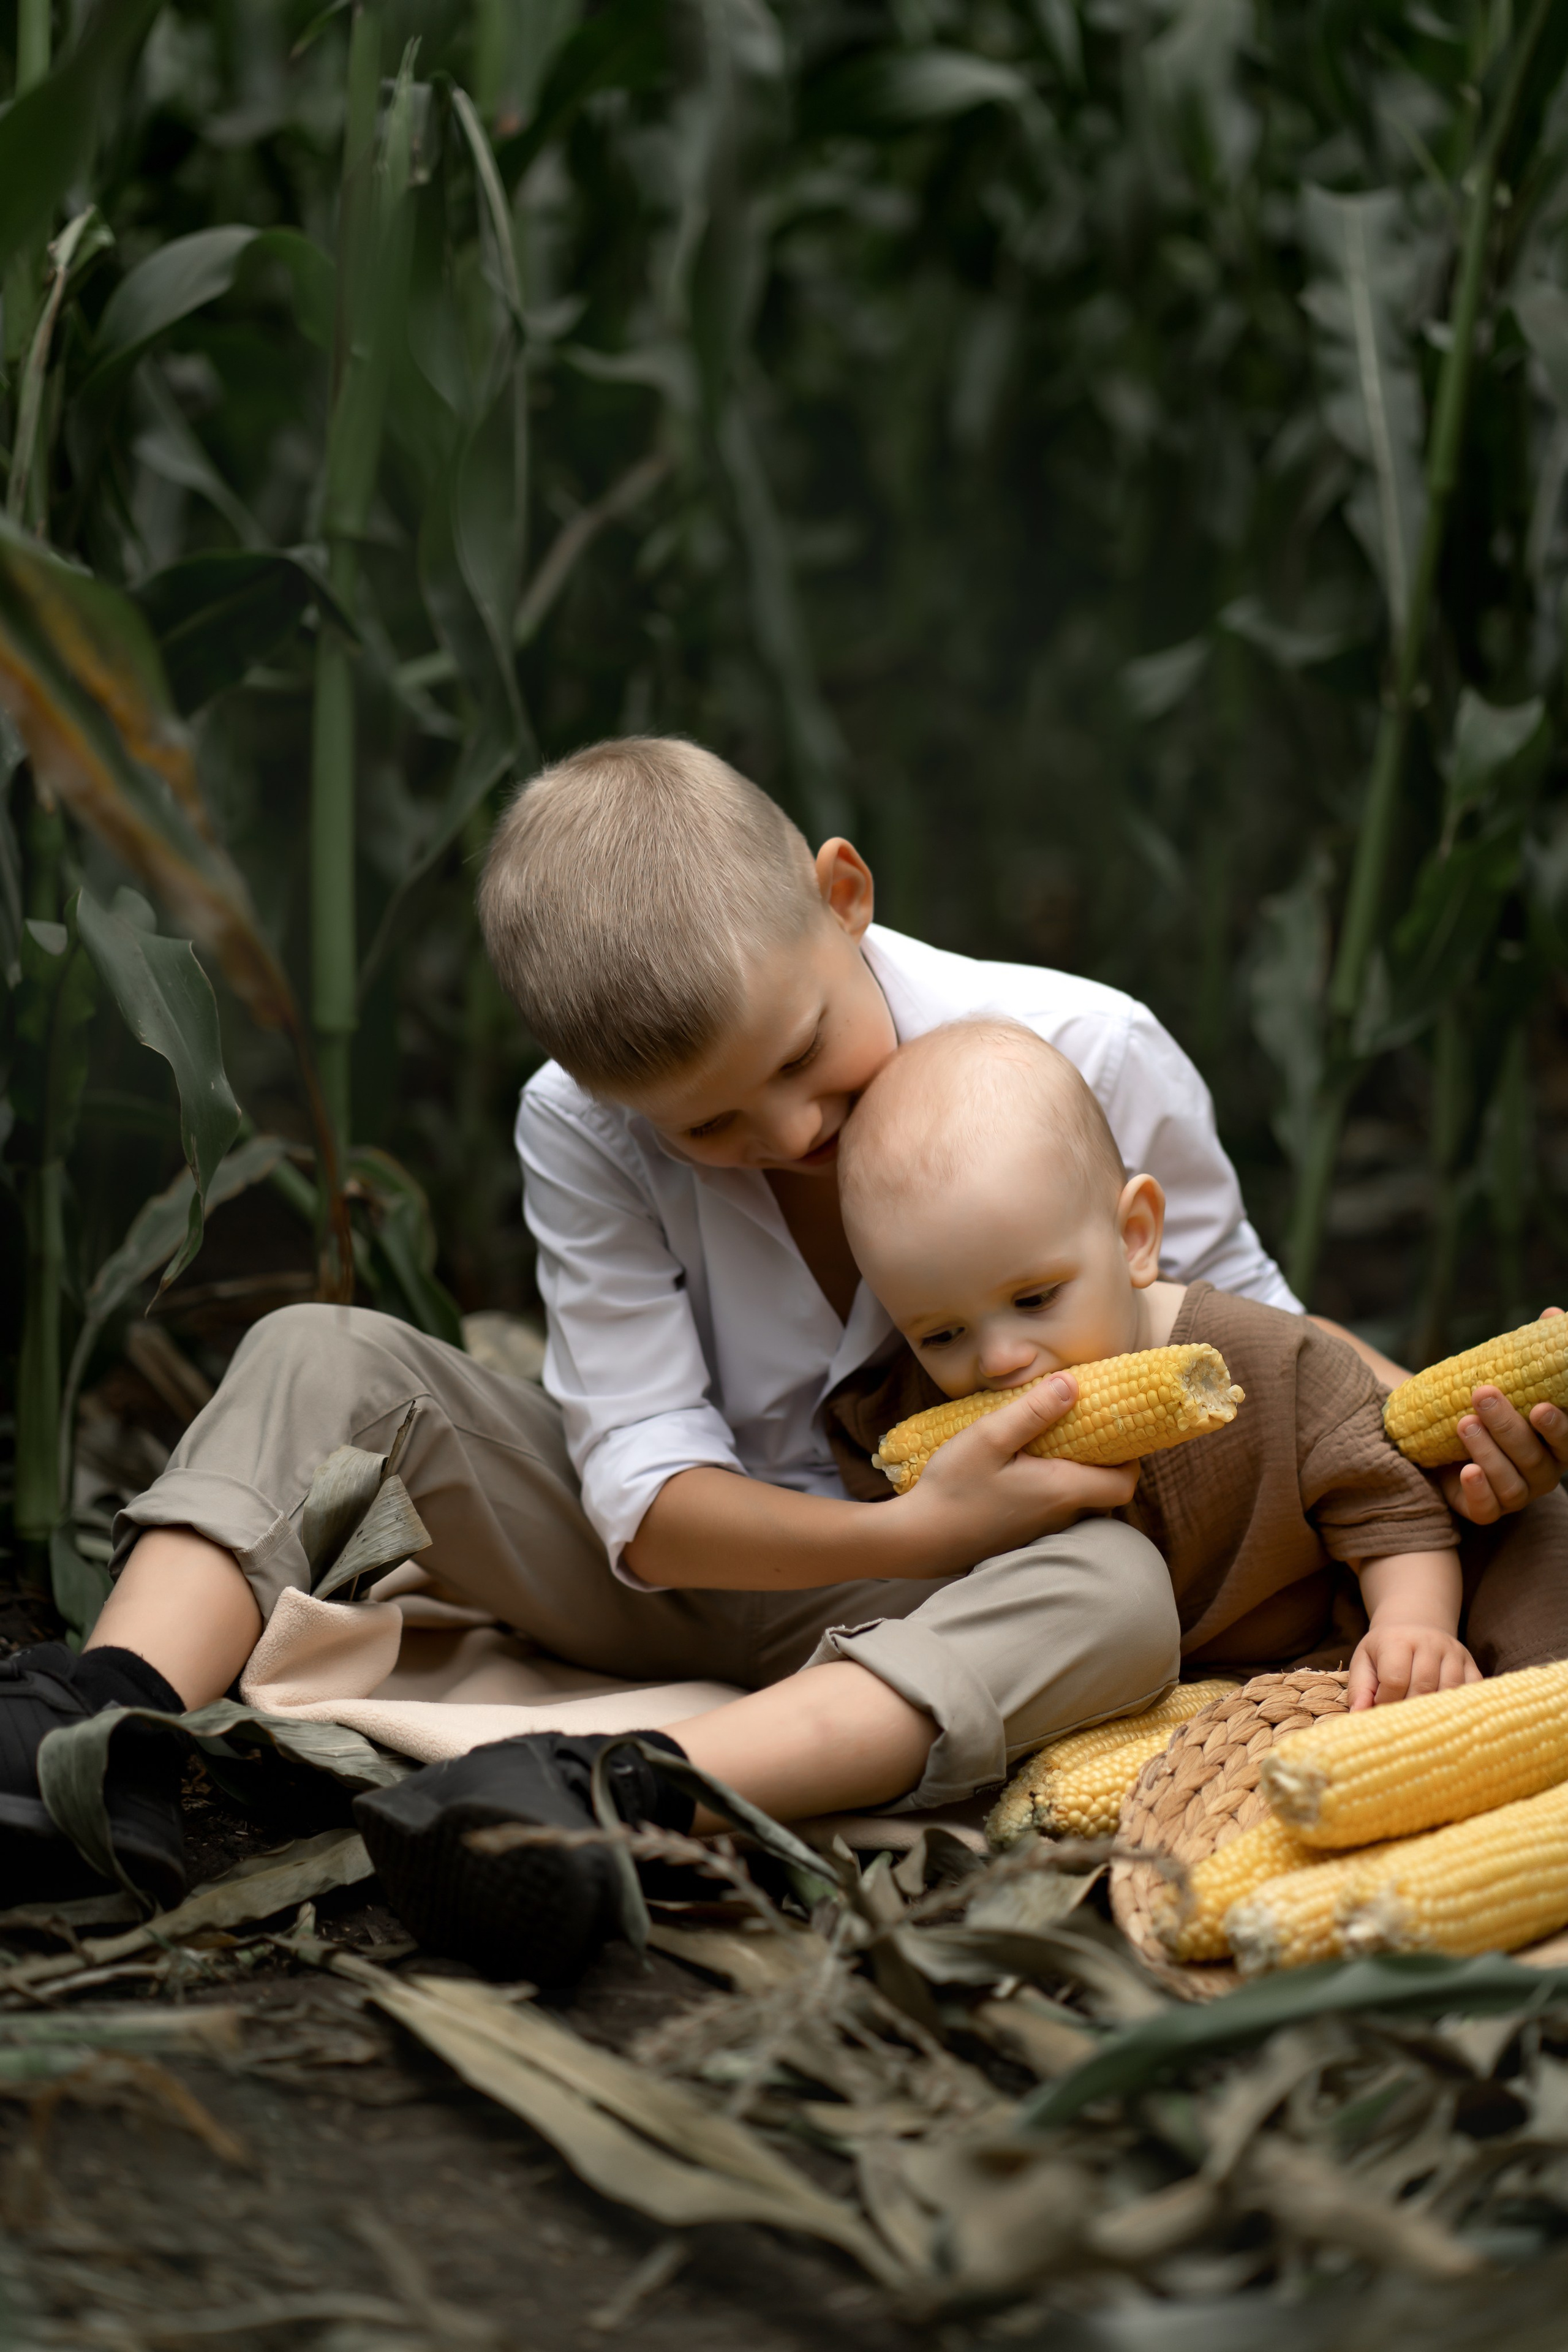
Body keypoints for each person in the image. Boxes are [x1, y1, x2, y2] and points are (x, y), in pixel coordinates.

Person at [2, 739, 1561, 1977]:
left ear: (842, 893)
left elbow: (1251, 1342)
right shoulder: (579, 1119)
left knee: (1112, 1592)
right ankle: (103, 1727)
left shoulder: (1083, 1050)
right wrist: (901, 1522)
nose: (790, 1136)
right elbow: (637, 1482)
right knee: (319, 1349)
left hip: (960, 1606)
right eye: (709, 1126)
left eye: (804, 1061)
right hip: (716, 1554)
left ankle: (624, 1790)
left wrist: (1432, 1429)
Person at [829, 1017, 1568, 1718]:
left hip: (1334, 1649)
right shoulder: (907, 1406)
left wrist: (1414, 1627)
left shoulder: (1270, 1363)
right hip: (1148, 1696)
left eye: (1034, 1298)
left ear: (1134, 1239)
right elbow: (879, 1489)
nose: (997, 1360)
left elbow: (1387, 1508)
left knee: (1538, 1540)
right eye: (942, 1334)